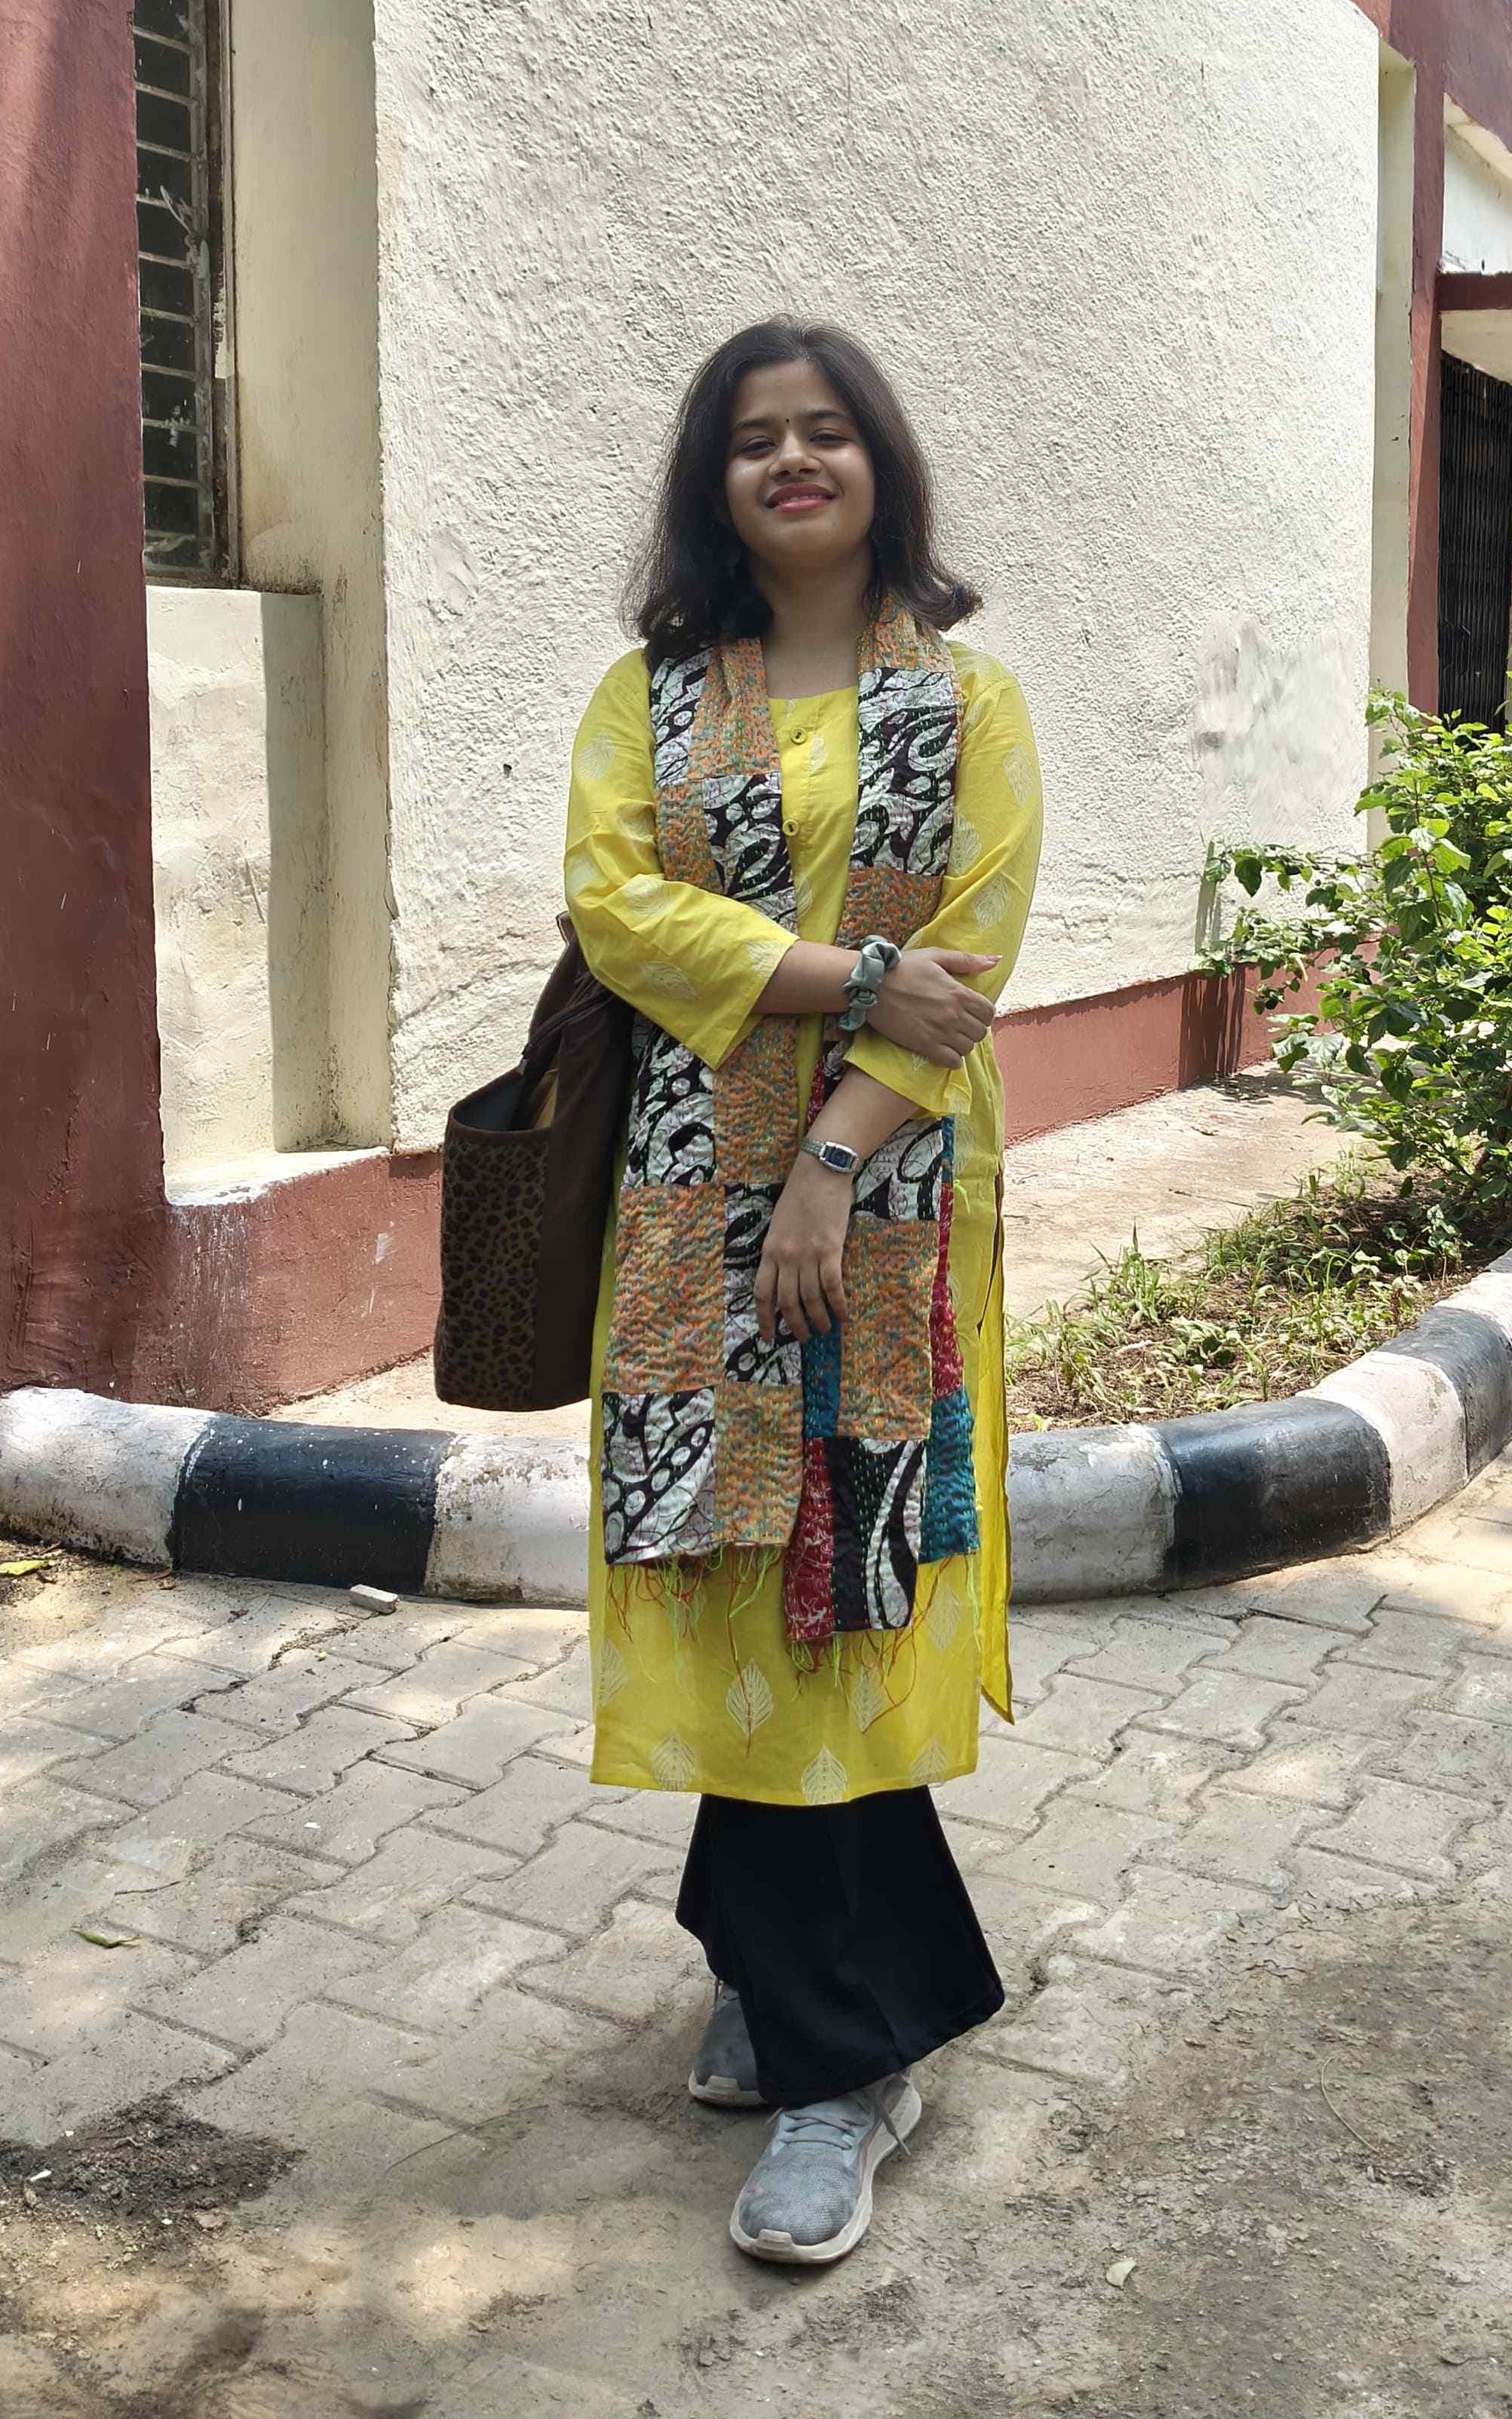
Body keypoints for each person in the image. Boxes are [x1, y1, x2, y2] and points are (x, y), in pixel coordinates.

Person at [563, 316, 1042, 2267]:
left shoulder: (972, 705)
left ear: (878, 465)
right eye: (755, 437)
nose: (792, 461)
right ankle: (765, 1955)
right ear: (717, 482)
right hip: (686, 1205)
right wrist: (854, 978)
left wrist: (830, 1166)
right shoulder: (652, 698)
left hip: (891, 1209)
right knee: (725, 1568)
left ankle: (846, 2061)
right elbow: (618, 906)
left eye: (826, 430)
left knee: (840, 1583)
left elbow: (973, 960)